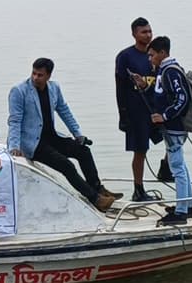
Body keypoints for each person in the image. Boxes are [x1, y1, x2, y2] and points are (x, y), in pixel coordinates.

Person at [7, 57, 119, 212]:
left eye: (40, 75)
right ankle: (96, 199)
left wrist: (78, 134)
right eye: (33, 73)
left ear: (49, 76)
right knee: (66, 165)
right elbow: (14, 121)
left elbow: (64, 111)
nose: (35, 78)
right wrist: (14, 146)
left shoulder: (54, 88)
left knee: (83, 151)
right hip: (33, 143)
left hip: (51, 137)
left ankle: (98, 188)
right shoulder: (19, 91)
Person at [142, 36, 192, 224]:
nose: (150, 59)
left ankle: (181, 212)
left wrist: (165, 116)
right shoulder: (164, 70)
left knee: (177, 167)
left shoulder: (170, 71)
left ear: (162, 53)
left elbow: (182, 98)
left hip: (175, 127)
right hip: (173, 127)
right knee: (181, 165)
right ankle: (186, 205)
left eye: (152, 55)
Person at [115, 17, 157, 201]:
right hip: (135, 110)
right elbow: (119, 87)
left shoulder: (156, 54)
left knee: (175, 137)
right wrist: (122, 114)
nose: (148, 35)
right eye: (143, 32)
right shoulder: (125, 56)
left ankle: (166, 169)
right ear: (134, 34)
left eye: (149, 31)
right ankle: (138, 189)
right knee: (140, 150)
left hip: (155, 108)